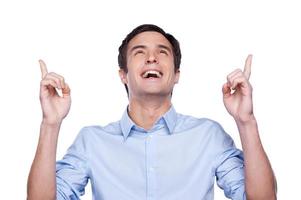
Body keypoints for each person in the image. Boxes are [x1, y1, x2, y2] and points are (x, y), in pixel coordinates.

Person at [27, 24, 277, 200]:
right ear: (123, 75)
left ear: (176, 75)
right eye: (139, 52)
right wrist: (50, 124)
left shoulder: (208, 136)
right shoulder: (92, 142)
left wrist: (246, 121)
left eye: (162, 52)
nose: (151, 59)